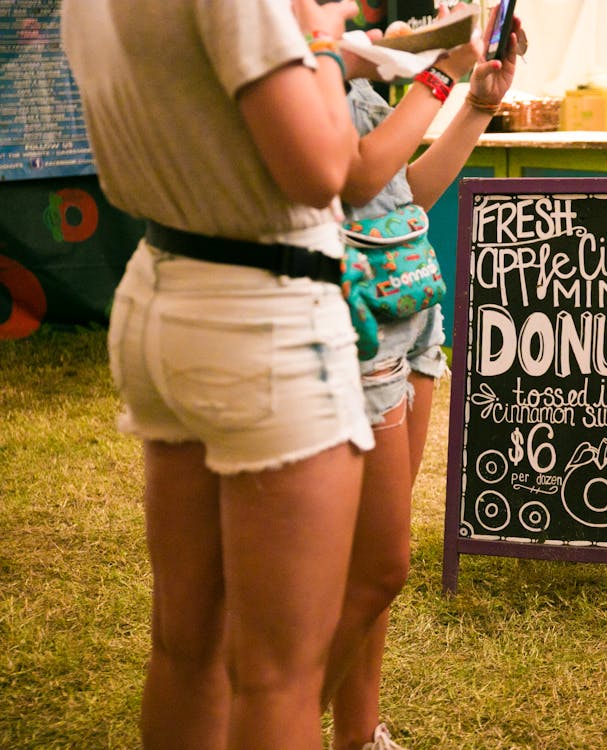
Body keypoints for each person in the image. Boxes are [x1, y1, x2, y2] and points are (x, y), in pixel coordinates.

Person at [61, 1, 373, 748]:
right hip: (262, 308)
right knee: (278, 677)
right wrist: (326, 46)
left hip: (162, 285)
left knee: (183, 644)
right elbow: (321, 169)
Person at [319, 6, 521, 750]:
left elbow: (405, 191)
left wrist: (477, 105)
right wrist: (441, 72)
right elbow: (357, 176)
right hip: (358, 321)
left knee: (374, 570)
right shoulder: (304, 66)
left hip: (413, 311)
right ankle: (274, 724)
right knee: (367, 566)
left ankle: (359, 734)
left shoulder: (349, 59)